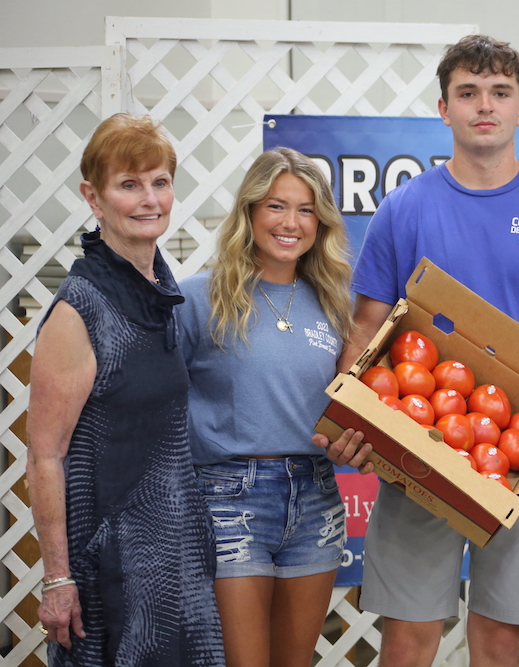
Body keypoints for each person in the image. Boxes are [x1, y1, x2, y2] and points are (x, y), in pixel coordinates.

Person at [315, 34, 519, 667]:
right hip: (418, 446)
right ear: (443, 108)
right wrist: (361, 416)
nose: (485, 106)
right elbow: (365, 330)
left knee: (501, 640)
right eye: (469, 92)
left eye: (500, 93)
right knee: (409, 637)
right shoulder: (405, 208)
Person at [25, 113, 225, 665]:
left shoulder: (158, 291)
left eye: (160, 182)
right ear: (94, 197)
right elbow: (45, 455)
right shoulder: (79, 309)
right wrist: (57, 577)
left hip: (177, 560)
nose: (149, 199)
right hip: (114, 569)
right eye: (129, 184)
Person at [176, 147, 368, 667]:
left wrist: (356, 443)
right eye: (276, 206)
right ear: (250, 212)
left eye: (306, 210)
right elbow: (156, 404)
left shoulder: (336, 304)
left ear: (321, 222)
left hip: (317, 500)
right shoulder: (198, 299)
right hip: (228, 499)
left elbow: (351, 410)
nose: (291, 223)